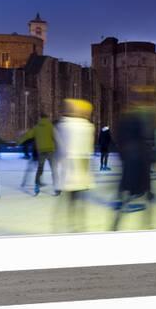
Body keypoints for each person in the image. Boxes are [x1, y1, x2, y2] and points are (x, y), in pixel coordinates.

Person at [55, 99, 95, 232]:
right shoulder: (88, 126)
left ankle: (67, 226)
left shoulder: (64, 125)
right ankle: (78, 227)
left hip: (69, 169)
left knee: (69, 201)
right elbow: (89, 150)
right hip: (82, 169)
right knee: (79, 200)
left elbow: (61, 148)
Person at [111, 106, 154, 231]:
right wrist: (149, 189)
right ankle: (148, 225)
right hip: (139, 174)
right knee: (144, 199)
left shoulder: (126, 141)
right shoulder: (141, 144)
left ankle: (115, 225)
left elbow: (120, 144)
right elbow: (146, 169)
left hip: (129, 169)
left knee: (126, 193)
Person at [18, 113, 58, 196]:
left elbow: (28, 135)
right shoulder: (50, 126)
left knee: (40, 169)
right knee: (53, 169)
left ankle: (36, 186)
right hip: (50, 150)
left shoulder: (36, 127)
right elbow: (56, 137)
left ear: (40, 118)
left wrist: (19, 141)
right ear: (47, 118)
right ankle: (57, 187)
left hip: (41, 151)